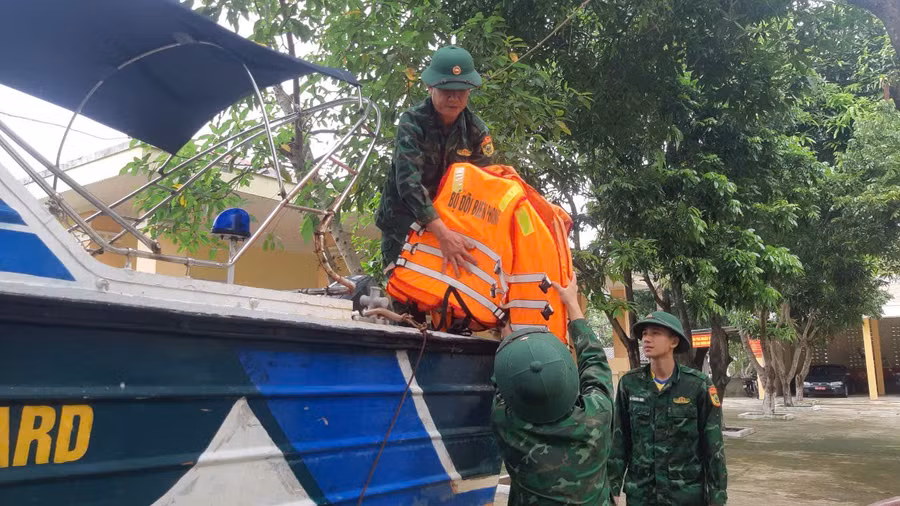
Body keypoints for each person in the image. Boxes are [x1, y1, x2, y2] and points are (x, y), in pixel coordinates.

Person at [491, 274, 615, 505]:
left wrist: (507, 334)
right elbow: (596, 363)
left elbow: (505, 380)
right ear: (569, 374)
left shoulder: (507, 424)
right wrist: (572, 304)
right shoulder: (597, 415)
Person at [375, 45, 495, 276]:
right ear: (430, 86)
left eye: (461, 90)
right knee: (406, 296)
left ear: (470, 90)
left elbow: (484, 188)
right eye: (446, 89)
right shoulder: (412, 121)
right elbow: (408, 183)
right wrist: (440, 232)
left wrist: (458, 234)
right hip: (404, 224)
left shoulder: (476, 131)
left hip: (453, 227)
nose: (454, 97)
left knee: (451, 301)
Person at [608, 311, 728, 505]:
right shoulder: (629, 384)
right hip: (642, 494)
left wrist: (718, 496)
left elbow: (713, 447)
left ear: (674, 341)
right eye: (645, 333)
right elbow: (619, 441)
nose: (647, 338)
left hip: (685, 495)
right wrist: (612, 486)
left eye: (655, 333)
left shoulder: (698, 385)